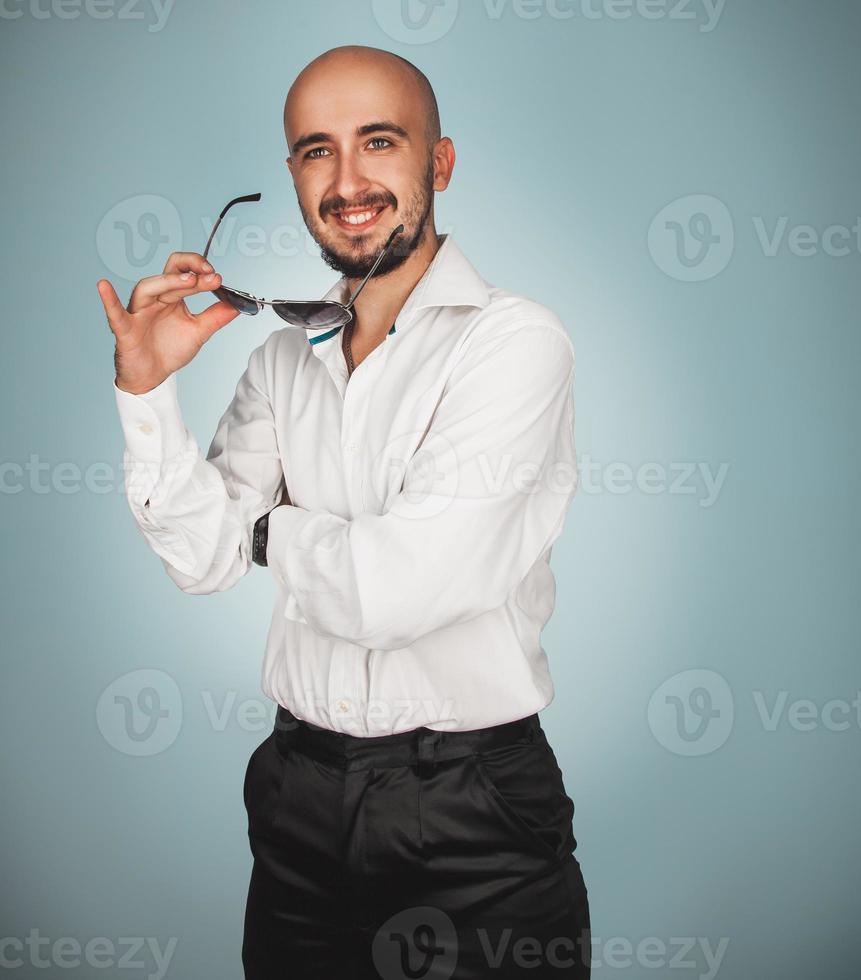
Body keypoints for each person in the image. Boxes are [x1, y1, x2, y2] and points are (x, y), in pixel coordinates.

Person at [97, 44, 590, 980]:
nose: (348, 180)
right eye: (317, 150)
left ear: (437, 164)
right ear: (292, 175)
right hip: (298, 797)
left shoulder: (514, 345)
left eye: (379, 142)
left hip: (473, 807)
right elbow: (197, 562)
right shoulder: (280, 361)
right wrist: (148, 390)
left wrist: (259, 529)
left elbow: (395, 590)